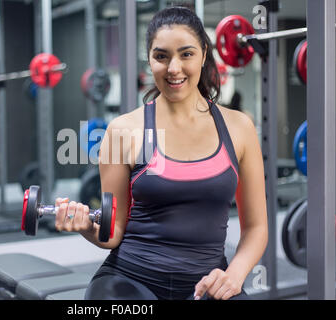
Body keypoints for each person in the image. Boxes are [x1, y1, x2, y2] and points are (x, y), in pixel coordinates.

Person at [54, 6, 268, 300]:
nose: (174, 68)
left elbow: (256, 227)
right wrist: (86, 226)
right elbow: (113, 230)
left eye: (186, 54)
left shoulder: (239, 127)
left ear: (205, 55)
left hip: (208, 283)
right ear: (150, 60)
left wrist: (235, 275)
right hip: (130, 280)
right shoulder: (122, 130)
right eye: (161, 56)